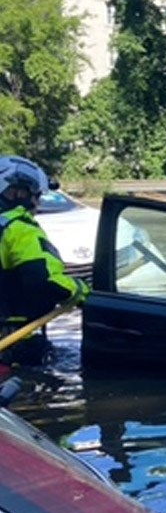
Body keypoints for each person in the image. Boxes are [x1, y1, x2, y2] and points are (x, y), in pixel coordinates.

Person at [0, 156, 89, 369]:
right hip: (13, 341)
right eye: (36, 196)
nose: (38, 204)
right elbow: (44, 280)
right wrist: (80, 290)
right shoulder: (20, 230)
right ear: (17, 193)